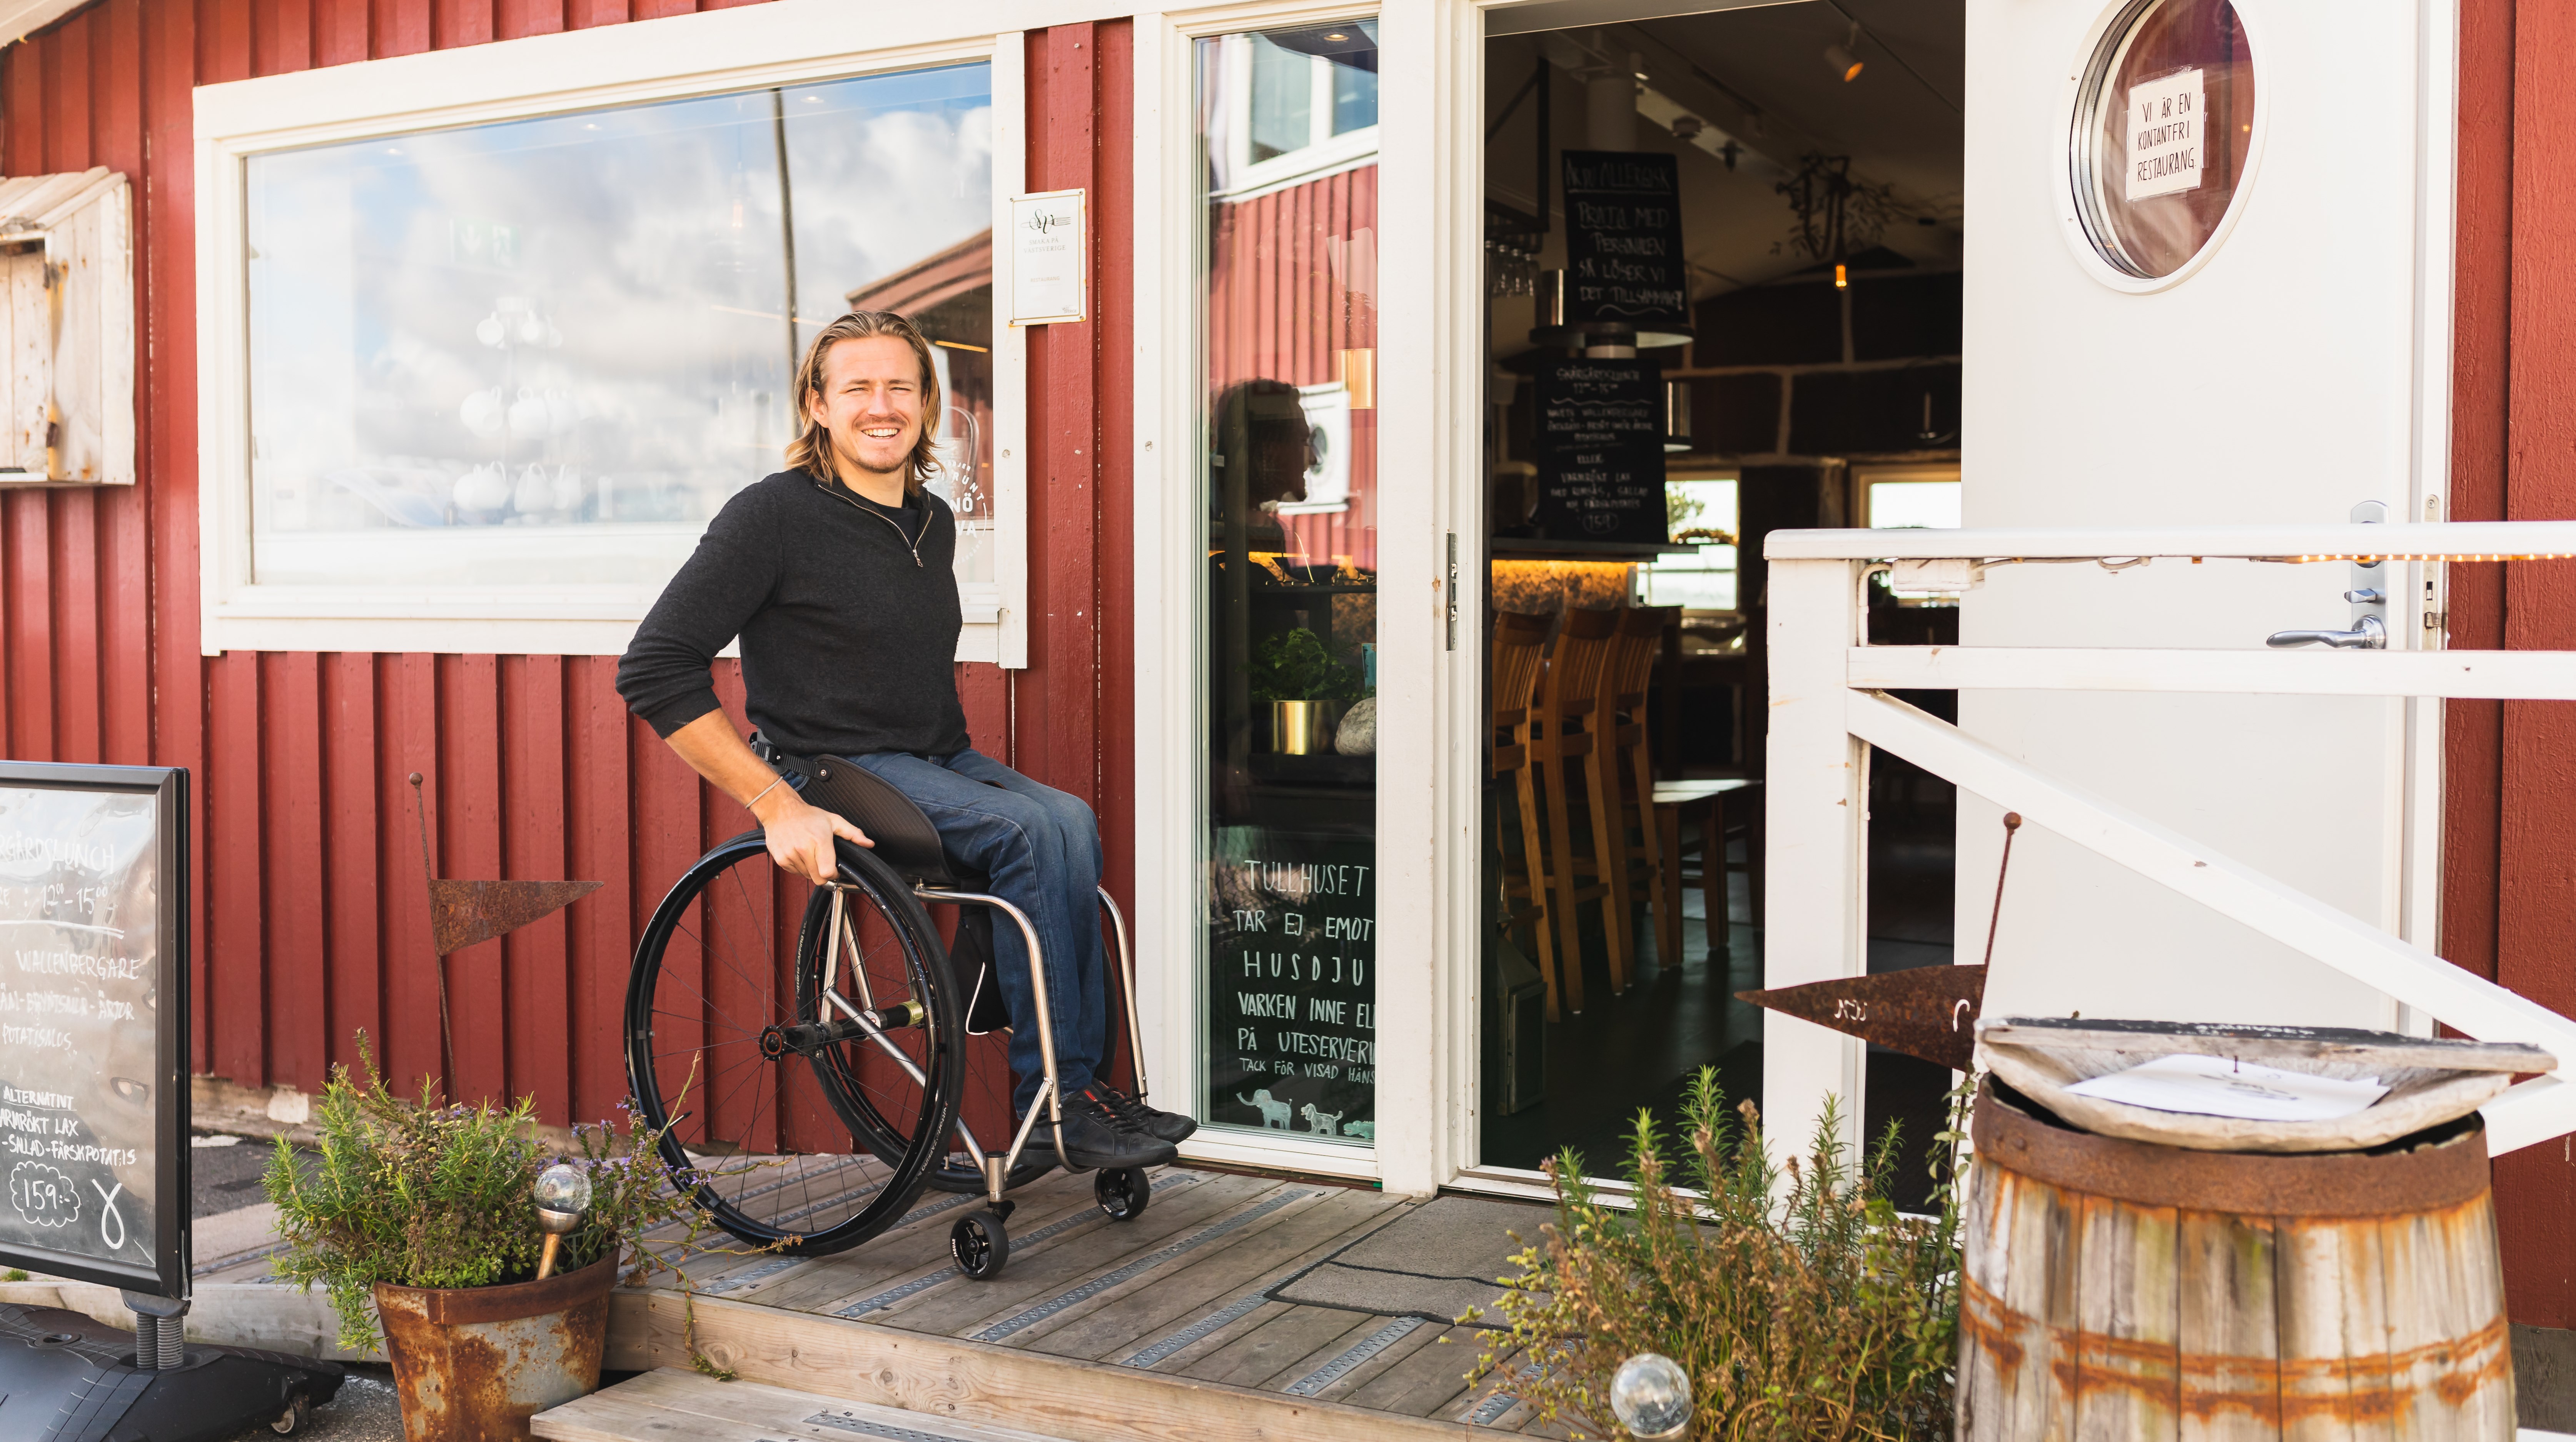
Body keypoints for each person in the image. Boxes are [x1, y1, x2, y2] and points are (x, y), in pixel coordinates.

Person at [616, 310, 1188, 1173]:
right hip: (829, 768)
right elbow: (655, 668)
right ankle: (1062, 1103)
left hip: (929, 760)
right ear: (816, 405)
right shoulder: (771, 516)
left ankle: (1068, 1088)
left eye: (900, 388)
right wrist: (775, 804)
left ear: (927, 405)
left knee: (1068, 817)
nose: (881, 406)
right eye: (857, 389)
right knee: (1027, 831)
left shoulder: (931, 519)